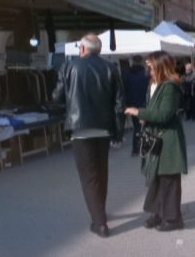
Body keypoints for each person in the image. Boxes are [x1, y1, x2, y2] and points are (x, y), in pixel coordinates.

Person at [52, 34, 124, 238]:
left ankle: (100, 222)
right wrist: (118, 133)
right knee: (101, 173)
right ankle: (100, 210)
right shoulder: (110, 69)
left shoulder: (68, 68)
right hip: (103, 129)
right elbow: (120, 103)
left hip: (79, 129)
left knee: (88, 177)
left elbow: (56, 97)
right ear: (99, 50)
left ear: (82, 49)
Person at [124, 51, 187, 232]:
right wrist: (146, 117)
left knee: (169, 180)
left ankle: (173, 219)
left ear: (160, 66)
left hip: (168, 139)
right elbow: (154, 110)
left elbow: (165, 114)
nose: (147, 69)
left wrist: (139, 113)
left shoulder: (170, 87)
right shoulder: (153, 84)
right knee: (156, 178)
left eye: (150, 66)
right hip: (156, 136)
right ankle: (159, 213)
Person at [123, 55, 150, 156]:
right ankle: (141, 147)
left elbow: (123, 88)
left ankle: (136, 149)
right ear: (142, 61)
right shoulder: (146, 73)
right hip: (143, 102)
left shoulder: (126, 73)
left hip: (130, 103)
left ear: (132, 61)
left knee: (137, 126)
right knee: (142, 126)